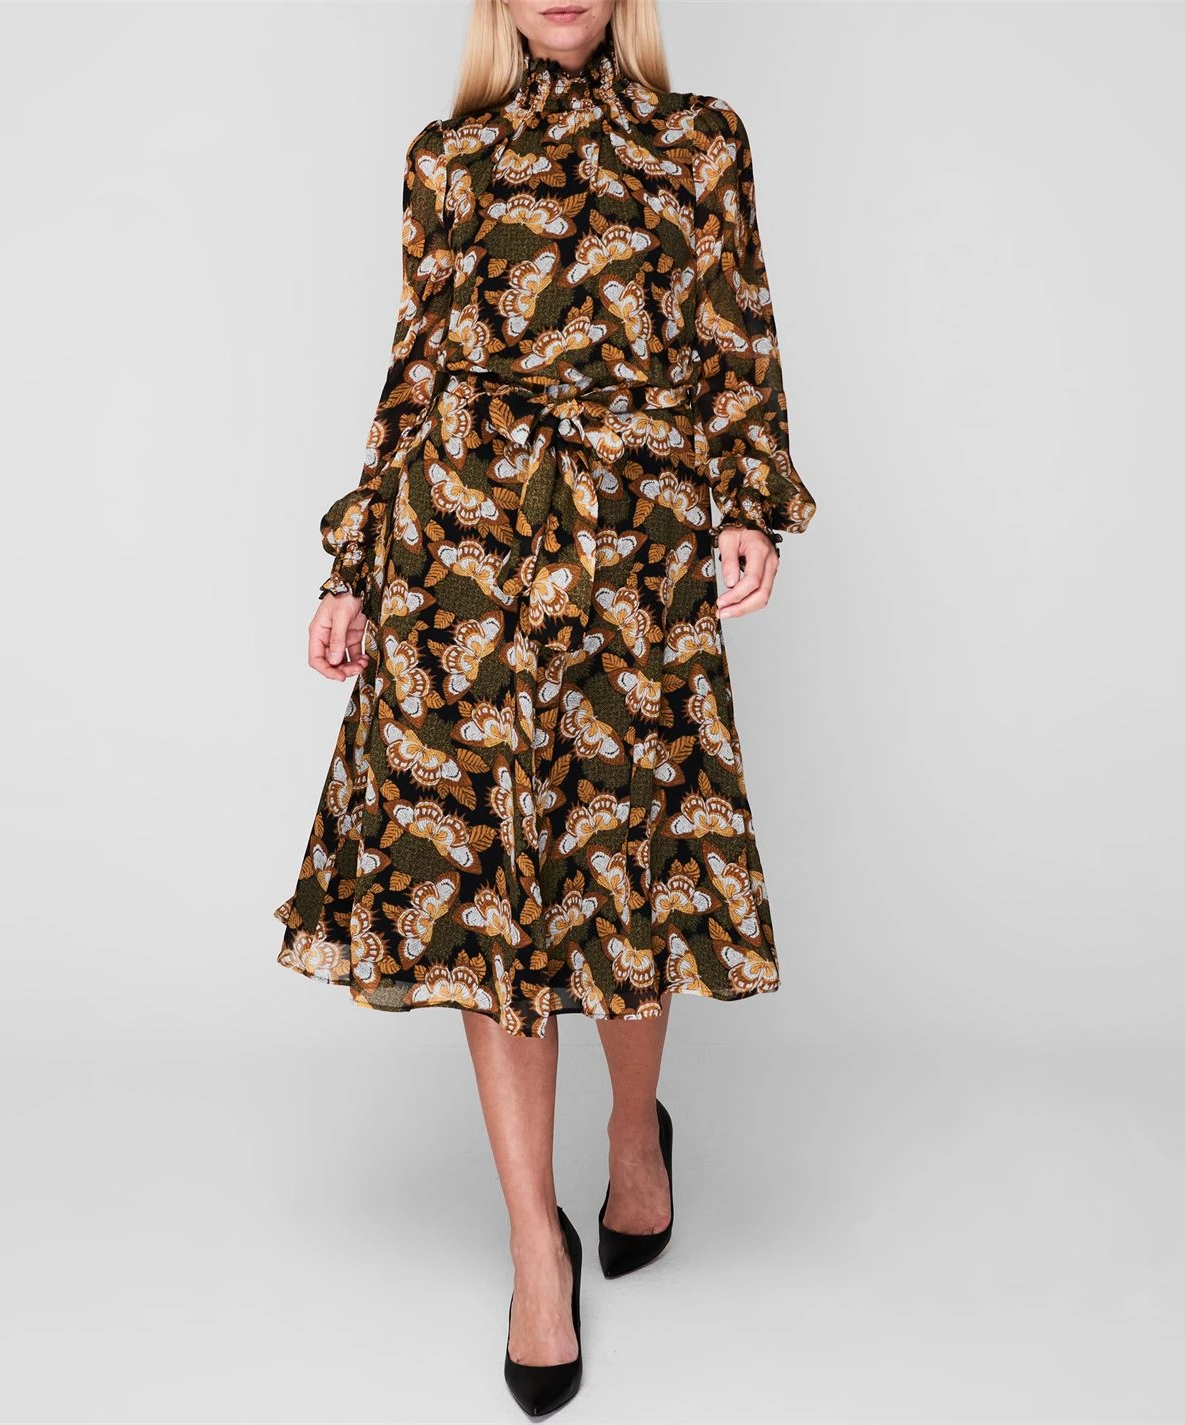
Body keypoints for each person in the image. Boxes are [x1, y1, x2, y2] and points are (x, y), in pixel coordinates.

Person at [273, 0, 815, 1413]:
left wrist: (747, 504)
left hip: (631, 551)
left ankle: (636, 1135)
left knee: (624, 880)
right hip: (463, 553)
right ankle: (533, 1249)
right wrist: (354, 567)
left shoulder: (701, 143)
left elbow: (737, 335)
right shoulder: (446, 159)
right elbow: (414, 374)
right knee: (489, 902)